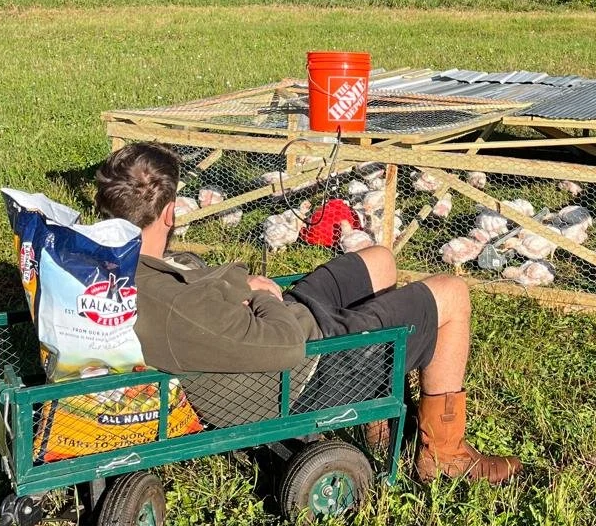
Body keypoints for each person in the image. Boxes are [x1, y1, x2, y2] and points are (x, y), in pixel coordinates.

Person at [94, 142, 520, 484]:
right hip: (306, 370)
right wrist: (266, 297)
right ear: (169, 211)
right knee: (451, 294)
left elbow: (205, 296)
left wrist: (244, 288)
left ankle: (380, 424)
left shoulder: (119, 268)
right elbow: (284, 346)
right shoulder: (175, 307)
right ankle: (444, 456)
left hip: (283, 326)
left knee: (379, 260)